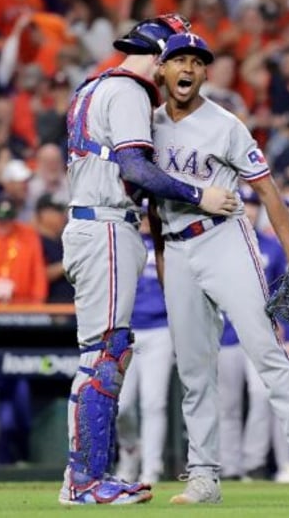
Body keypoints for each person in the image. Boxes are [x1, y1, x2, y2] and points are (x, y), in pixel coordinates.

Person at [58, 14, 236, 506]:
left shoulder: (92, 87)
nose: (178, 69)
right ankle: (86, 481)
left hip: (91, 222)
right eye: (174, 57)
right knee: (105, 354)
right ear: (158, 56)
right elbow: (134, 167)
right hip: (106, 227)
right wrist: (199, 194)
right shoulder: (130, 91)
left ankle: (86, 476)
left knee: (104, 350)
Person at [150, 32, 289, 504]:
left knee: (264, 348)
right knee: (193, 371)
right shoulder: (147, 125)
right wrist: (164, 258)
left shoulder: (226, 124)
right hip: (176, 246)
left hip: (223, 238)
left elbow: (268, 191)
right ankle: (204, 476)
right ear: (162, 71)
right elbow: (152, 201)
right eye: (178, 60)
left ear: (205, 73)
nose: (187, 68)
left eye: (196, 61)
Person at [217, 186, 289, 481]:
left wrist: (282, 325)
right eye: (242, 202)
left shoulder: (272, 247)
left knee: (262, 396)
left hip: (260, 333)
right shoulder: (217, 246)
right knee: (228, 404)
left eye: (252, 202)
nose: (248, 208)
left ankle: (253, 461)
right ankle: (230, 465)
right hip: (225, 332)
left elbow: (282, 291)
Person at [115, 204, 174, 486]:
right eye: (142, 215)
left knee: (154, 403)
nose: (146, 220)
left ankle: (151, 469)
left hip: (160, 328)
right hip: (128, 329)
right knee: (121, 404)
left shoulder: (169, 244)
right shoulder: (125, 243)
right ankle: (130, 450)